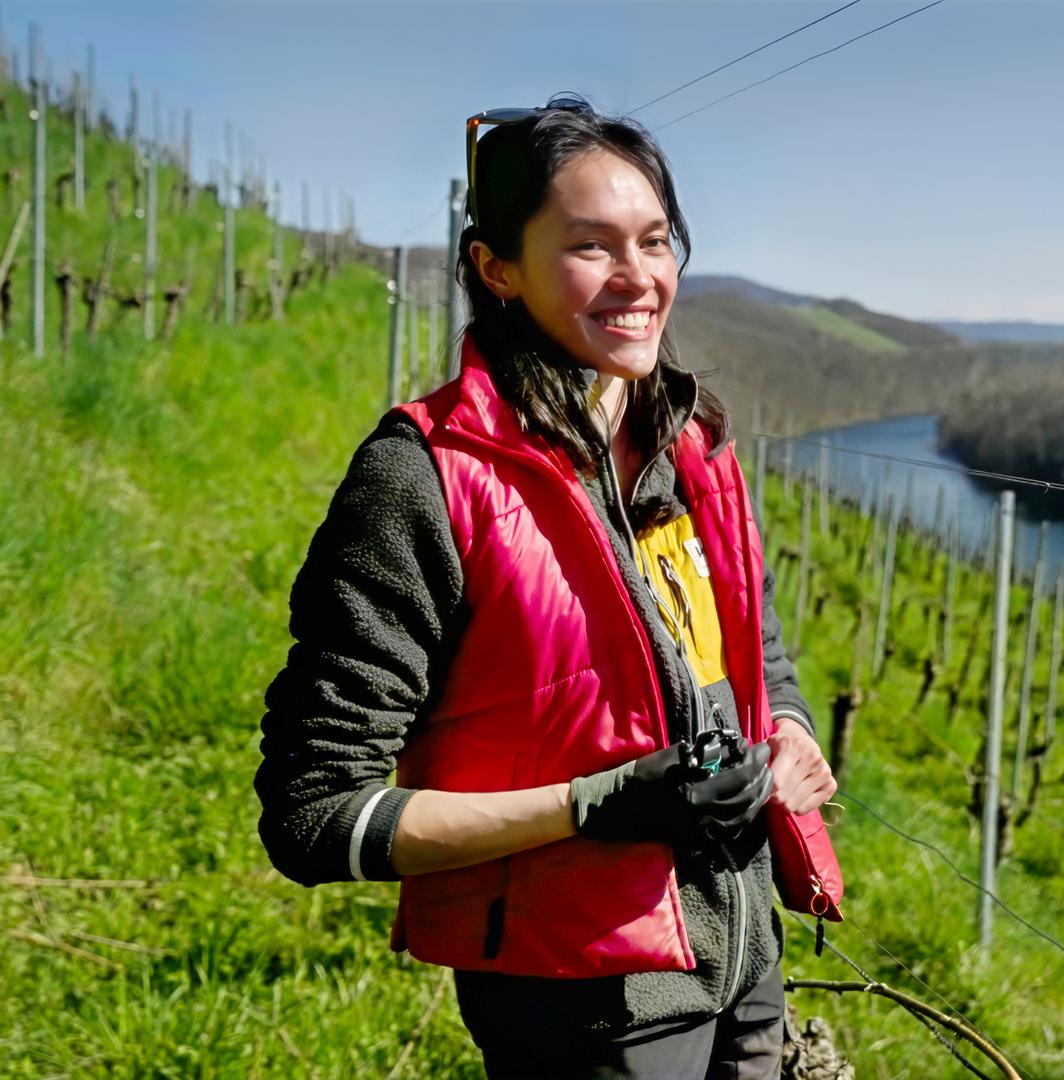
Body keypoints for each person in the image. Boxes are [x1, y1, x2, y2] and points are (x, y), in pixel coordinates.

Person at [253, 94, 843, 1078]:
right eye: (590, 246)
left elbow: (758, 659)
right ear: (497, 269)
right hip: (584, 1005)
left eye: (656, 241)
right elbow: (316, 814)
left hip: (747, 964)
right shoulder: (428, 479)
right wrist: (599, 804)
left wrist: (792, 735)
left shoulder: (694, 450)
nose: (638, 277)